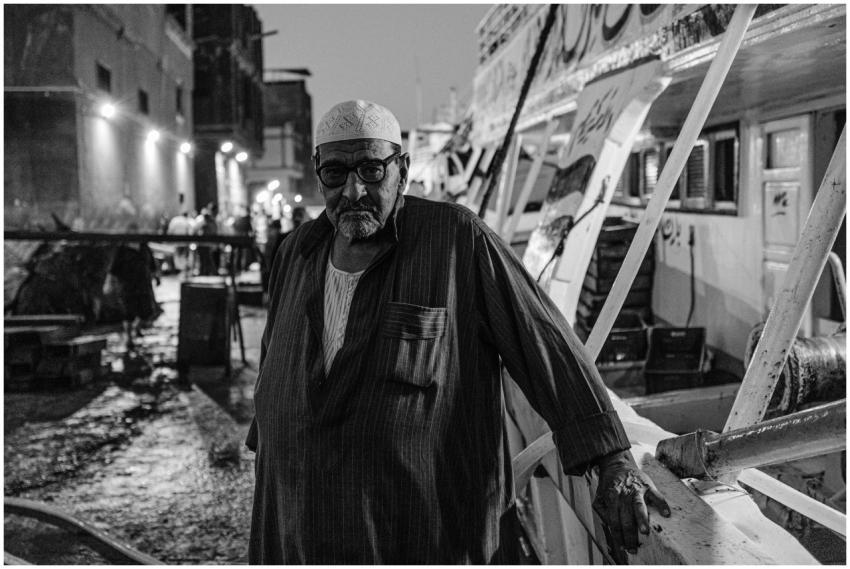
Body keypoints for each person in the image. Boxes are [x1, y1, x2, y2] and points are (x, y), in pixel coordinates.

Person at [246, 100, 669, 564]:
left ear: (401, 170)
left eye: (371, 170)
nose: (353, 190)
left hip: (421, 535)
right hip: (298, 529)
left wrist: (611, 458)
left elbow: (543, 341)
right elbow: (275, 362)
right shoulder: (295, 253)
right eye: (336, 173)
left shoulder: (456, 241)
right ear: (318, 174)